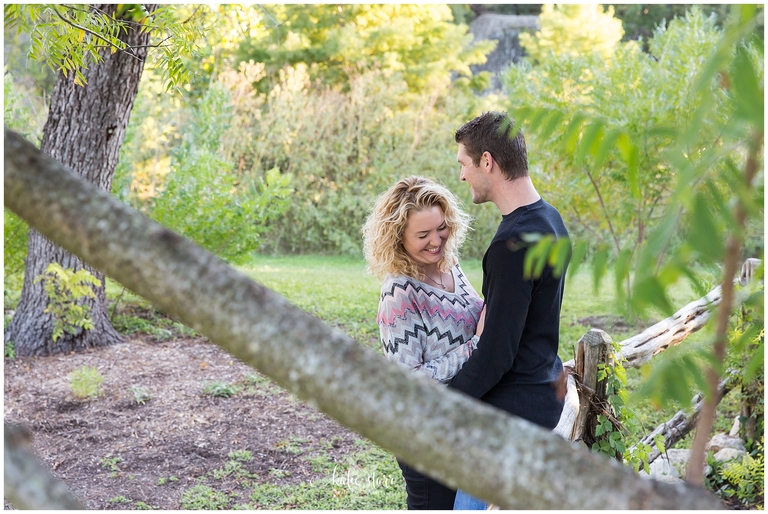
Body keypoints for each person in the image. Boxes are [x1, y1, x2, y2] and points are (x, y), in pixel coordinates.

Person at [449, 111, 571, 510]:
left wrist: (444, 403)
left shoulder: (511, 244)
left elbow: (497, 353)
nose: (462, 176)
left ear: (487, 161)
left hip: (509, 419)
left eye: (464, 164)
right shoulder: (551, 220)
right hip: (542, 396)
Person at [362, 176, 484, 510]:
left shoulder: (450, 265)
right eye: (423, 235)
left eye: (441, 228)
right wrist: (475, 345)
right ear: (398, 237)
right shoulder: (399, 293)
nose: (436, 241)